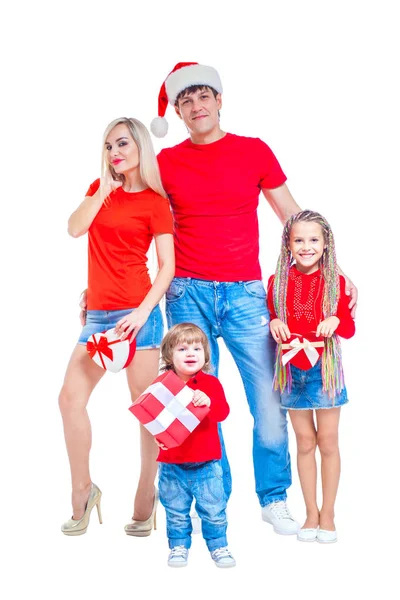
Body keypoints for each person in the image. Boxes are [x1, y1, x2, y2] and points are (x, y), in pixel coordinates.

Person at [148, 61, 358, 535]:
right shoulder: (166, 164)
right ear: (178, 112)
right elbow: (147, 225)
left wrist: (336, 271)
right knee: (199, 401)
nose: (196, 106)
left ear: (220, 100)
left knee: (268, 401)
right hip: (187, 293)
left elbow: (290, 213)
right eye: (185, 100)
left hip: (245, 294)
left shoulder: (253, 151)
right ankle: (213, 501)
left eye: (204, 96)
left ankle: (274, 498)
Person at [59, 117, 175, 536]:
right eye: (109, 146)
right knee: (70, 398)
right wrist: (103, 189)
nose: (115, 153)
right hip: (97, 320)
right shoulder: (99, 189)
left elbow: (167, 267)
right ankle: (83, 490)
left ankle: (147, 492)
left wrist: (144, 312)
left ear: (141, 146)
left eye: (122, 144)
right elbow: (75, 228)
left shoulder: (155, 202)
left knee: (146, 411)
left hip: (136, 317)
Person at [267, 210, 355, 543]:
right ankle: (310, 513)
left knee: (328, 441)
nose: (306, 246)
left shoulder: (337, 281)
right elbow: (274, 317)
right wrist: (275, 322)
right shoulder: (277, 281)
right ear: (288, 244)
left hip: (325, 370)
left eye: (314, 239)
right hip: (290, 369)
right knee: (304, 442)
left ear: (326, 243)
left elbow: (349, 327)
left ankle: (328, 513)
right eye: (299, 240)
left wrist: (336, 320)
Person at [156, 323, 235, 568]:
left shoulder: (211, 384)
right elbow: (154, 418)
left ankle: (219, 546)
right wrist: (157, 435)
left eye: (197, 349)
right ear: (169, 355)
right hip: (172, 465)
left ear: (205, 355)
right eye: (182, 348)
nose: (191, 353)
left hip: (207, 464)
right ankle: (178, 546)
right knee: (175, 512)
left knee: (214, 510)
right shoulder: (162, 385)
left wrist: (208, 402)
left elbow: (223, 413)